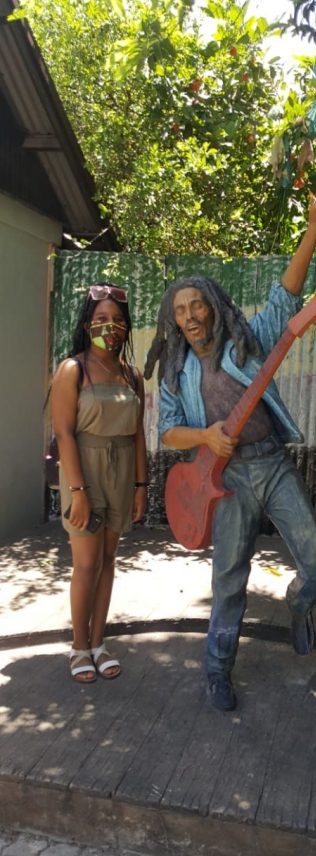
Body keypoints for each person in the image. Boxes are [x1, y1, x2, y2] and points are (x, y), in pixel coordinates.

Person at [145, 184, 316, 711]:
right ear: (174, 319)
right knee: (229, 580)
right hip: (224, 479)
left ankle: (301, 606)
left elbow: (285, 299)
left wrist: (312, 230)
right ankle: (216, 670)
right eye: (180, 309)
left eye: (197, 304)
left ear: (212, 306)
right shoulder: (176, 370)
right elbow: (167, 431)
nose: (189, 315)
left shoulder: (245, 343)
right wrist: (205, 436)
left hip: (271, 463)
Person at [51, 284, 147, 683]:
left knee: (109, 562)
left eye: (118, 321)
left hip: (122, 471)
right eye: (102, 319)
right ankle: (77, 648)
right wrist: (77, 492)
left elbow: (139, 433)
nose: (111, 327)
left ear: (127, 328)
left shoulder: (132, 375)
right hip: (84, 471)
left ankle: (98, 643)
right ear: (88, 323)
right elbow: (64, 433)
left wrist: (142, 486)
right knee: (86, 563)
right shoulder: (73, 369)